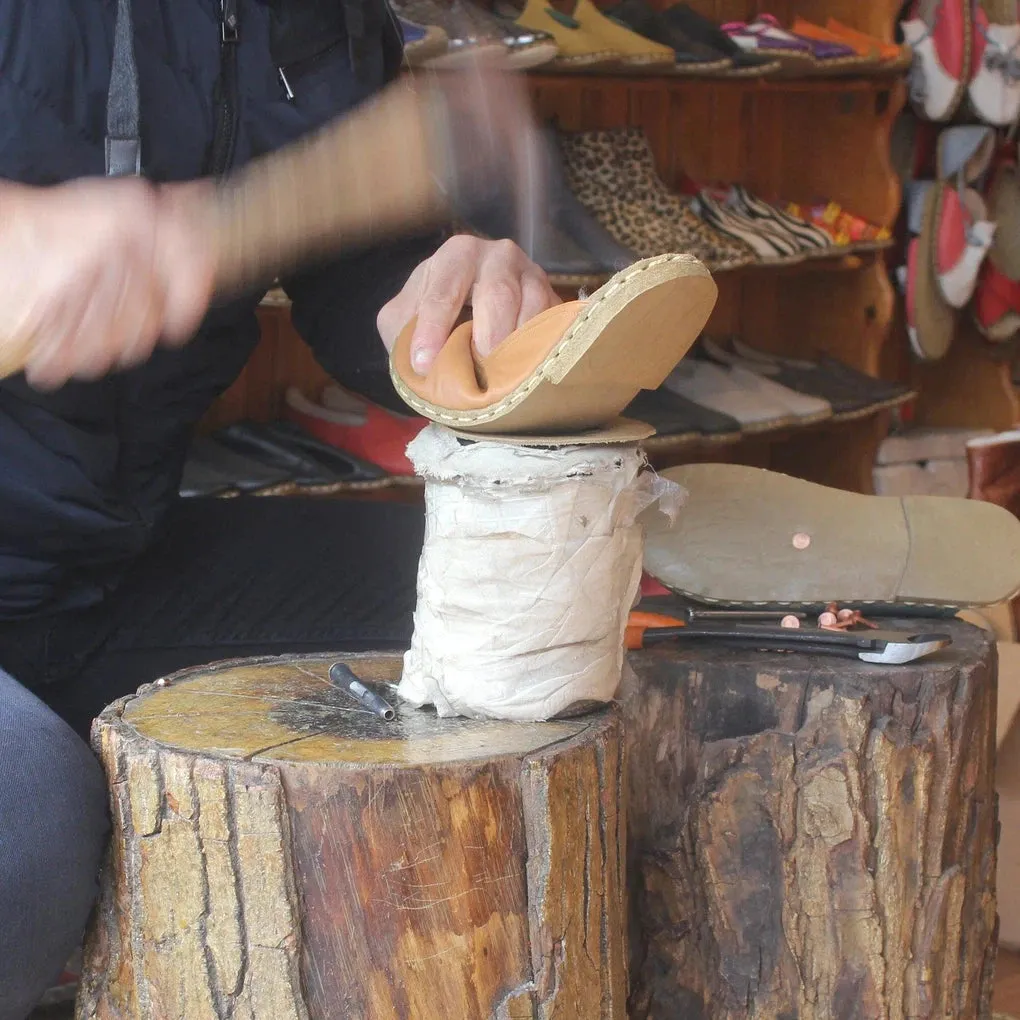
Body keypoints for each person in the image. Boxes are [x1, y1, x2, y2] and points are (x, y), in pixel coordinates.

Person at [0, 1, 559, 1017]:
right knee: (19, 827)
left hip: (97, 567)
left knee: (526, 602)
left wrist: (451, 305)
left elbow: (365, 292)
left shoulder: (327, 19)